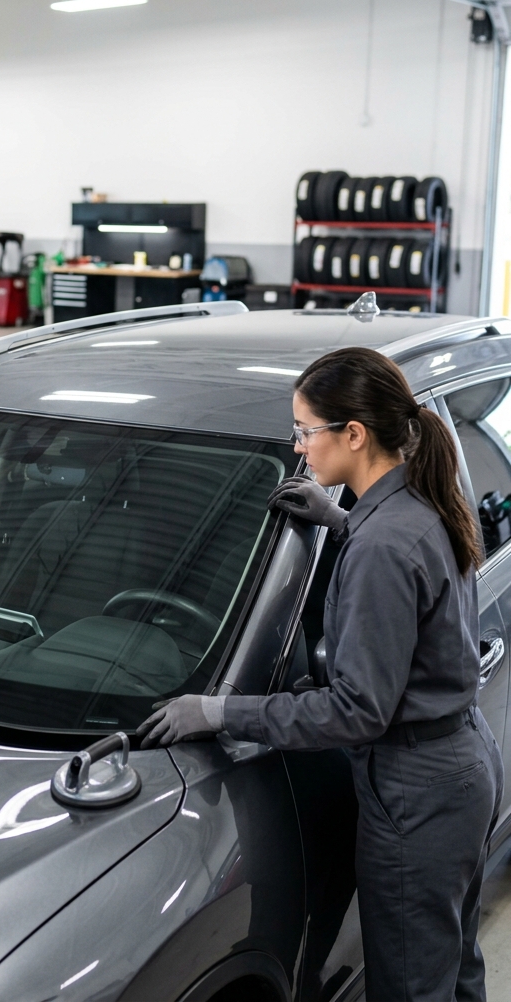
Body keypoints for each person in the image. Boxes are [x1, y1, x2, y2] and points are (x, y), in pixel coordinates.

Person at [139, 346, 504, 1001]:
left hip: (416, 792)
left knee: (411, 986)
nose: (300, 449)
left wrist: (221, 711)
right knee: (452, 964)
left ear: (354, 434)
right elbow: (407, 579)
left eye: (306, 431)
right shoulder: (413, 506)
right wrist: (342, 523)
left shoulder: (382, 547)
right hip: (462, 768)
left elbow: (357, 710)